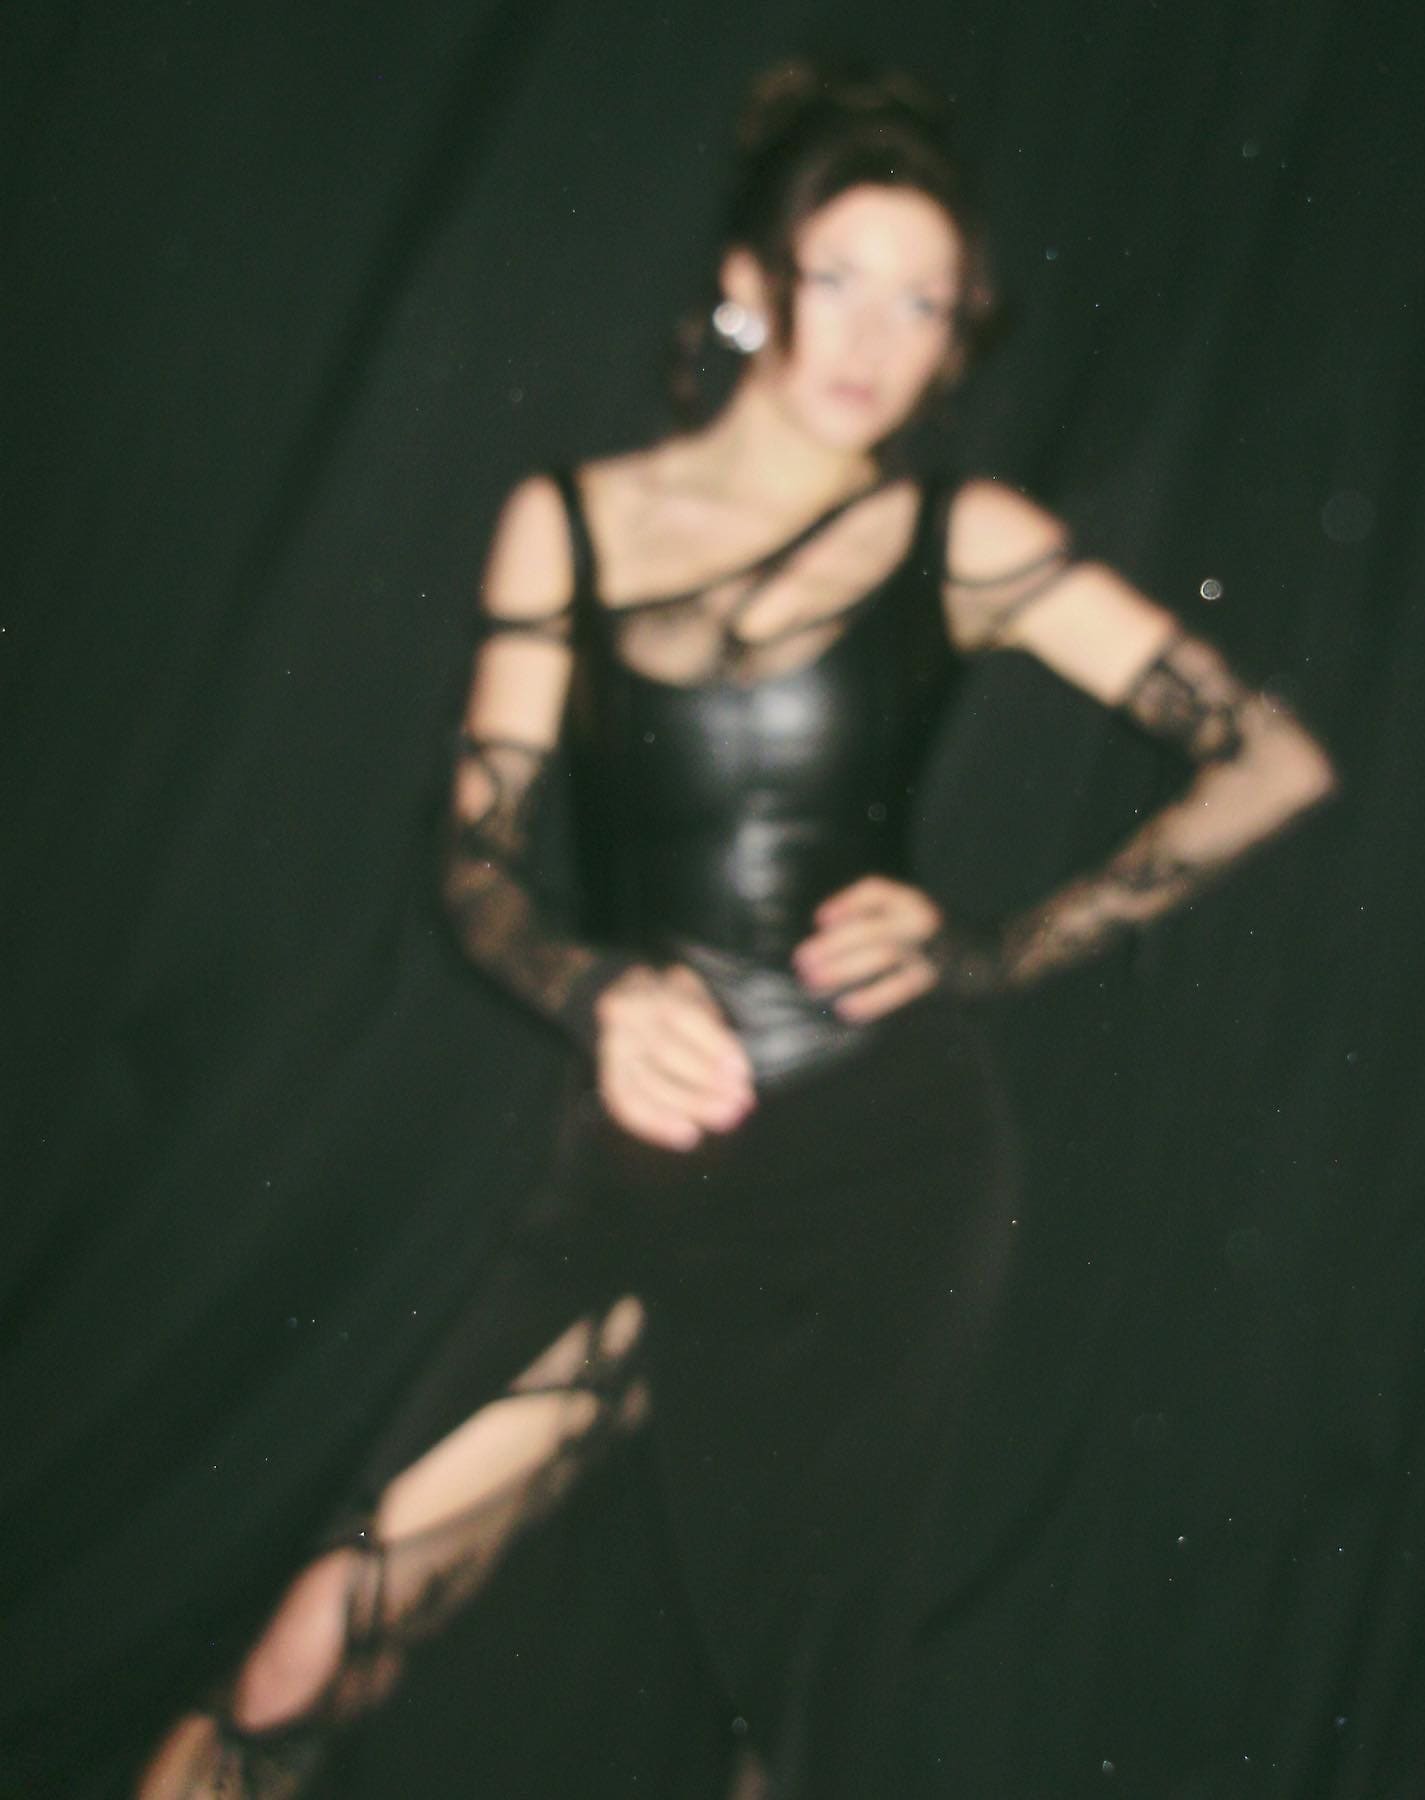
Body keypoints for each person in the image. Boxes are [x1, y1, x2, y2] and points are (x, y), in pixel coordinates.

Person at [138, 58, 1336, 1800]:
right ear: (750, 282)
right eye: (840, 276)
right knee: (316, 1640)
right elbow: (474, 861)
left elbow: (1272, 760)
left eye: (923, 302)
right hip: (645, 1154)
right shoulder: (572, 524)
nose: (875, 335)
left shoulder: (963, 539)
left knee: (795, 1716)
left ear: (958, 338)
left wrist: (998, 947)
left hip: (880, 1170)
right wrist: (594, 989)